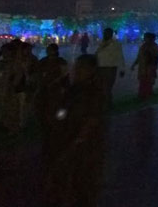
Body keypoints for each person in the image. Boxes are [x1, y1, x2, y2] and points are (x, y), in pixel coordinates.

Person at [43, 54, 106, 207]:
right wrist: (58, 120)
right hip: (68, 137)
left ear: (91, 70)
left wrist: (78, 139)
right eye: (76, 67)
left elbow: (93, 119)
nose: (76, 71)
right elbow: (62, 110)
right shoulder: (73, 89)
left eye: (81, 68)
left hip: (84, 144)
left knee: (82, 180)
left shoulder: (94, 92)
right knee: (67, 178)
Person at [35, 43, 69, 155]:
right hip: (45, 90)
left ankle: (57, 128)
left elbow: (65, 75)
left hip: (56, 90)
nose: (48, 51)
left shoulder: (60, 62)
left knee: (57, 109)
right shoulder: (43, 62)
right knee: (46, 110)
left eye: (50, 50)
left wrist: (59, 84)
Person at [95, 27, 125, 104]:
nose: (105, 35)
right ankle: (104, 103)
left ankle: (107, 103)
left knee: (107, 87)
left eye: (107, 33)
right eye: (104, 33)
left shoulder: (116, 44)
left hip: (110, 69)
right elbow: (98, 55)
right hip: (100, 68)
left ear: (111, 34)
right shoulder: (101, 43)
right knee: (101, 87)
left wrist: (122, 69)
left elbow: (120, 56)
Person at [131, 33, 158, 100]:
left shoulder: (153, 46)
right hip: (143, 67)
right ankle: (145, 93)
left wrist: (153, 66)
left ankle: (145, 94)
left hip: (149, 67)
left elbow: (155, 57)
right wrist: (134, 64)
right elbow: (139, 57)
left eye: (145, 37)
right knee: (144, 81)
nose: (144, 38)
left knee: (147, 81)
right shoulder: (144, 46)